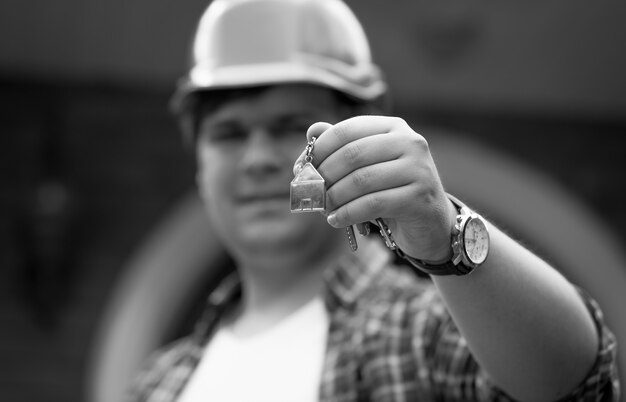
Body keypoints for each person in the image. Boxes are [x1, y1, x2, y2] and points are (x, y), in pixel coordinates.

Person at [128, 0, 619, 401]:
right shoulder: (156, 382)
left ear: (357, 136)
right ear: (199, 165)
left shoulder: (424, 330)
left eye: (287, 128)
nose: (257, 158)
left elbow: (578, 383)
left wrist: (446, 233)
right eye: (229, 134)